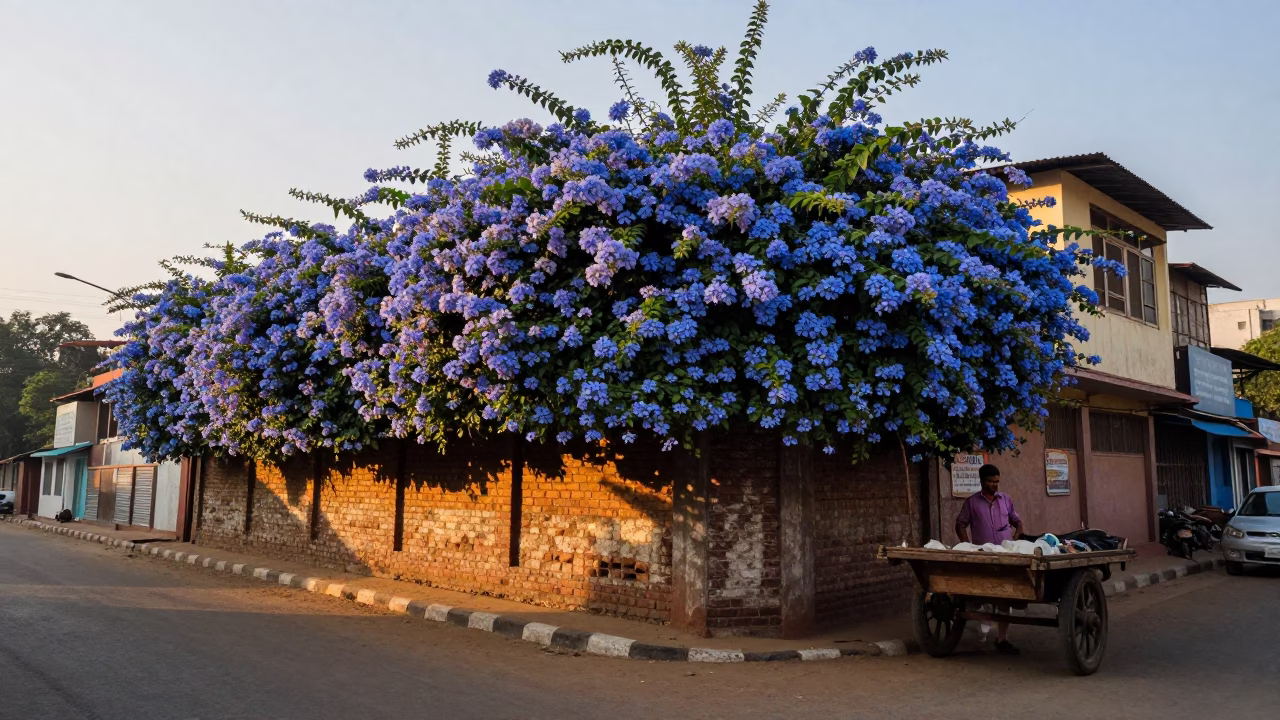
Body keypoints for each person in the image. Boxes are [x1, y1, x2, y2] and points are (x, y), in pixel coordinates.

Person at [955, 463, 1025, 654]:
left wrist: (1017, 535)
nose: (995, 485)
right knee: (982, 594)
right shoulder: (972, 503)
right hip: (983, 557)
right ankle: (981, 628)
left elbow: (1017, 521)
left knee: (1005, 598)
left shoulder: (1005, 500)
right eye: (991, 482)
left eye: (997, 482)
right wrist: (967, 545)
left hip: (1005, 555)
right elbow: (960, 524)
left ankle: (1002, 639)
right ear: (982, 481)